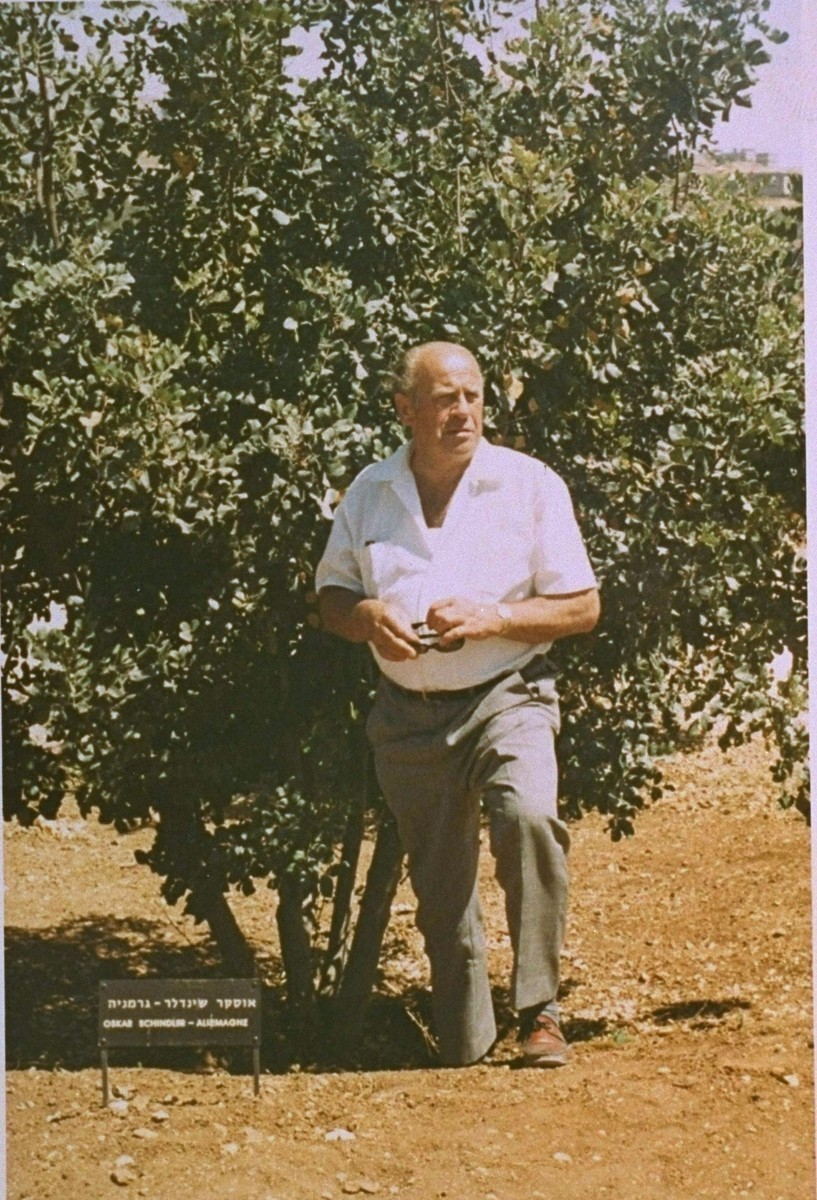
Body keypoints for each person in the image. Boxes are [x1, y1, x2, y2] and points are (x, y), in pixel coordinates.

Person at [316, 341, 600, 1068]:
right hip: (407, 715)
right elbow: (331, 597)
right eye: (444, 398)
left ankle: (539, 1011)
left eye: (471, 395)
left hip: (509, 694)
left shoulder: (528, 485)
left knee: (529, 819)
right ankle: (464, 1047)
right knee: (441, 888)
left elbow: (581, 607)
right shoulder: (370, 490)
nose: (462, 410)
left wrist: (494, 619)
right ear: (404, 409)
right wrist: (365, 617)